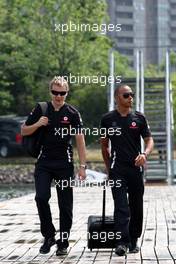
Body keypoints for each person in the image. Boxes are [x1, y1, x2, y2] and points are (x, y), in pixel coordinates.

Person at [21, 76, 86, 256]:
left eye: (62, 93)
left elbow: (80, 141)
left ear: (67, 93)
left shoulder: (73, 113)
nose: (59, 96)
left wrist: (83, 166)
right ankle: (49, 236)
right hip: (44, 162)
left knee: (65, 205)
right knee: (41, 198)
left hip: (64, 164)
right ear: (51, 92)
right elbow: (23, 130)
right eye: (55, 93)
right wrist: (38, 123)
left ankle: (63, 241)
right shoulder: (41, 109)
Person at [100, 84, 154, 256]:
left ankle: (134, 239)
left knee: (136, 205)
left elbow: (149, 140)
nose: (130, 97)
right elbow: (104, 147)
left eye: (132, 94)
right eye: (126, 95)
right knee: (121, 205)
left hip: (135, 169)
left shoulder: (139, 118)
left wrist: (144, 154)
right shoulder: (107, 119)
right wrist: (109, 170)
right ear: (117, 98)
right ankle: (122, 242)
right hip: (117, 169)